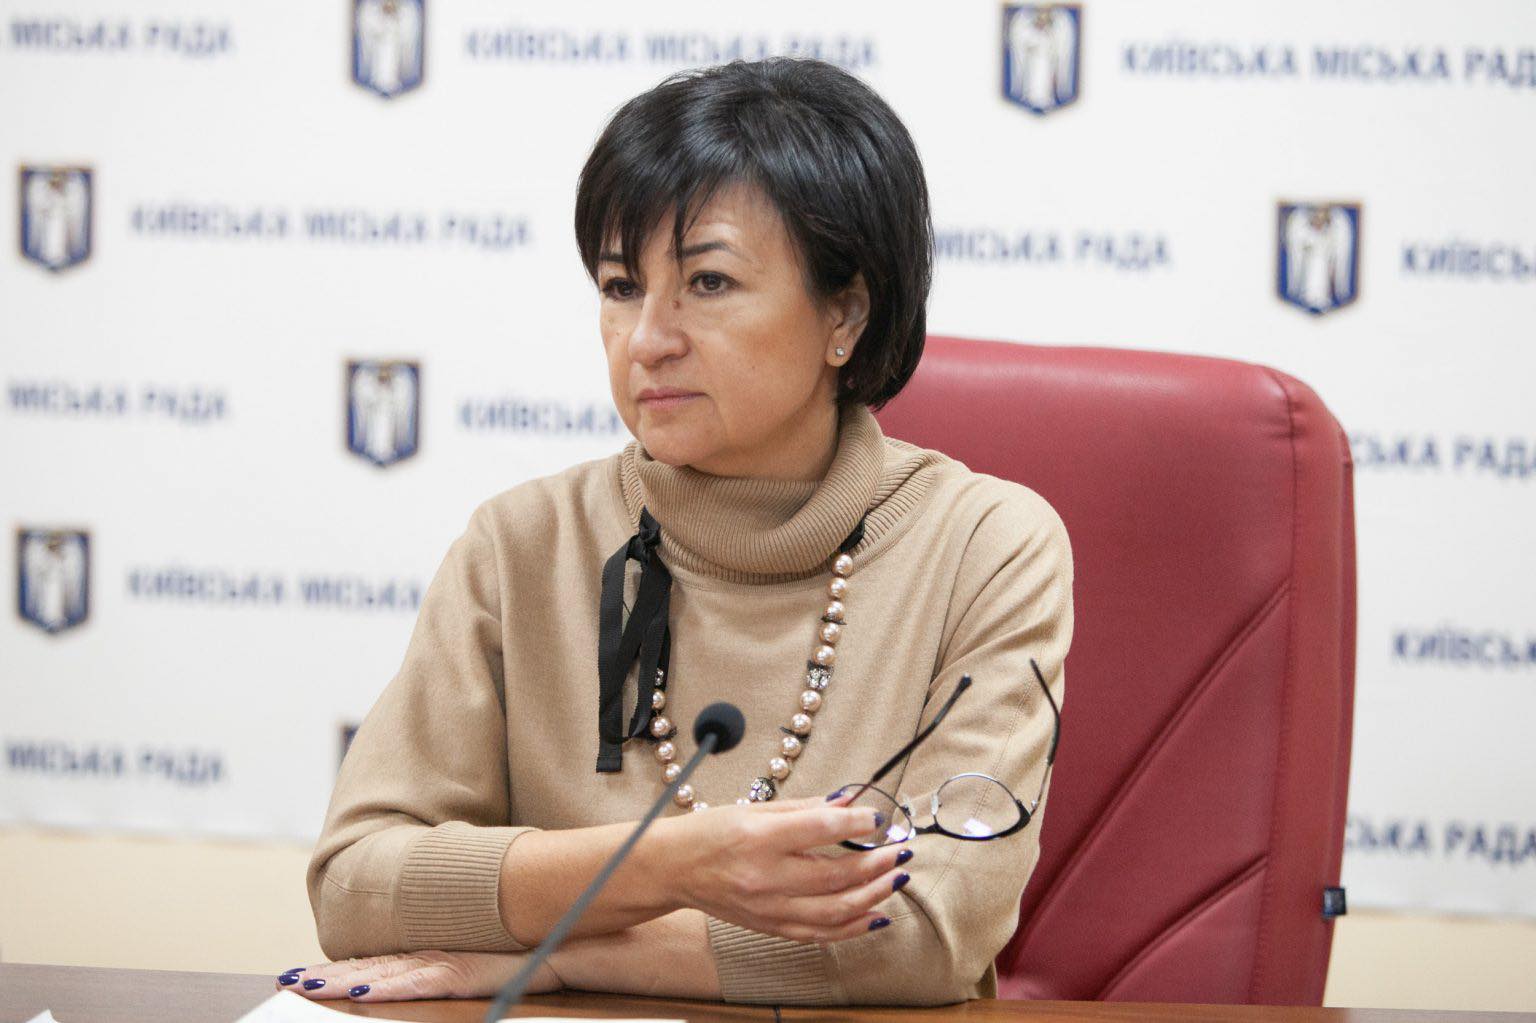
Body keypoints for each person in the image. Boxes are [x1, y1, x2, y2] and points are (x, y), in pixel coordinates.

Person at [282, 56, 1073, 1007]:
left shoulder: (987, 546)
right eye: (621, 286)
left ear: (846, 313)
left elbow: (922, 933)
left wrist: (562, 951)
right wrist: (666, 862)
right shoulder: (521, 544)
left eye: (708, 281)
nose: (648, 338)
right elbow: (358, 885)